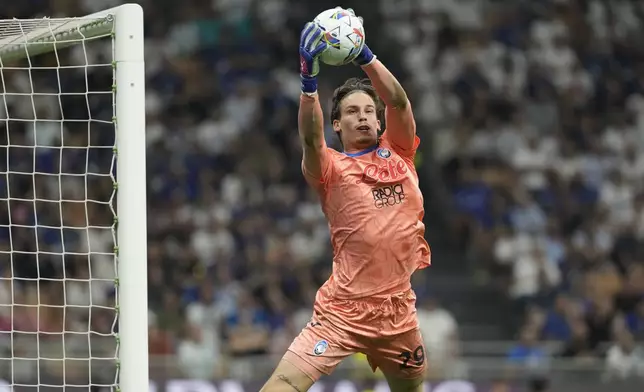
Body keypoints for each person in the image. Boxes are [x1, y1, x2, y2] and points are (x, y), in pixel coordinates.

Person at [260, 9, 431, 392]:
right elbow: (310, 139)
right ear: (337, 124)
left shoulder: (400, 152)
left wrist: (364, 54)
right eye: (353, 112)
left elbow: (400, 103)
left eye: (370, 111)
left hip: (398, 311)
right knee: (284, 383)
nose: (365, 117)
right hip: (344, 312)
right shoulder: (330, 168)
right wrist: (308, 79)